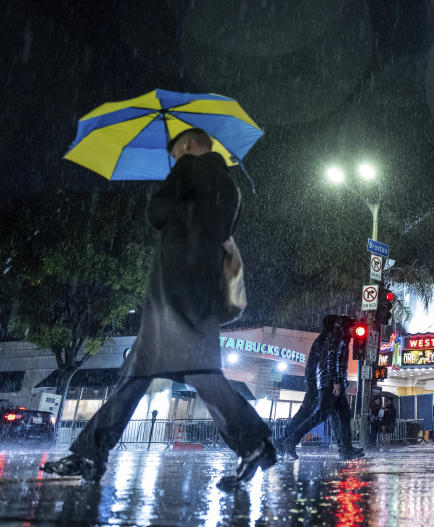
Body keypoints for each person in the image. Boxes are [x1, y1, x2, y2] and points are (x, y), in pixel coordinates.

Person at [42, 128, 274, 488]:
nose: (174, 160)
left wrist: (176, 180)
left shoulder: (186, 171)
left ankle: (254, 444)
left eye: (175, 154)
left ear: (187, 146)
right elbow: (219, 230)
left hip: (173, 291)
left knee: (175, 372)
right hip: (201, 290)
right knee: (156, 373)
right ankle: (91, 452)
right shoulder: (231, 187)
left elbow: (156, 213)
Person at [277, 314, 364, 461]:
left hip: (326, 383)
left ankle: (345, 449)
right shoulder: (333, 338)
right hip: (326, 383)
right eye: (351, 327)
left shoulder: (332, 338)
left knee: (341, 415)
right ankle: (288, 441)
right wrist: (335, 381)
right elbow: (331, 360)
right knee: (319, 415)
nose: (353, 331)